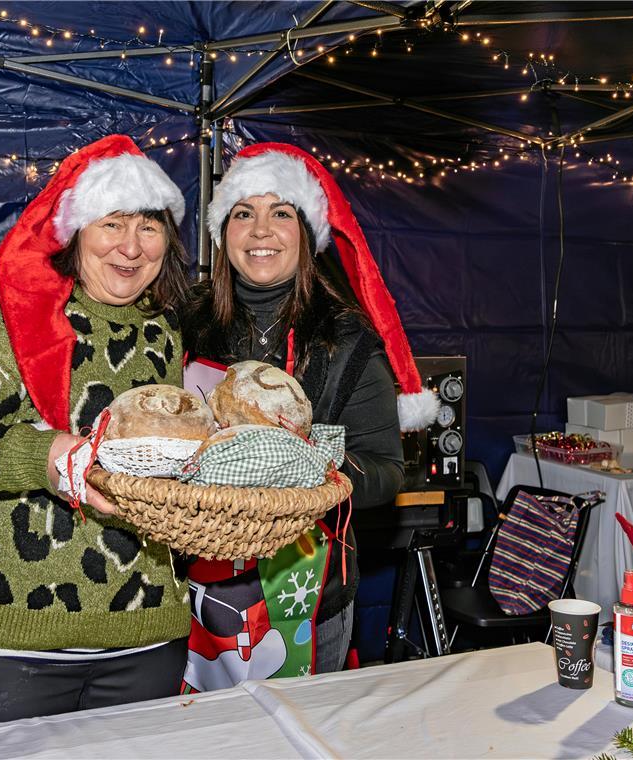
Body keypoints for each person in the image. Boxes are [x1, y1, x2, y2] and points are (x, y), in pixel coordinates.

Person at [0, 135, 192, 730]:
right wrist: (45, 455)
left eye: (149, 227)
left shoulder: (162, 334)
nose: (131, 248)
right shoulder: (10, 311)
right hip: (2, 648)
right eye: (112, 224)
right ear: (77, 230)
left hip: (144, 638)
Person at [180, 143, 437, 690]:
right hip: (193, 590)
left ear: (307, 233)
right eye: (244, 213)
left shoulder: (346, 338)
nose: (261, 230)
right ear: (223, 231)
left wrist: (305, 469)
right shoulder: (186, 322)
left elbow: (387, 471)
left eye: (281, 213)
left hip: (308, 592)